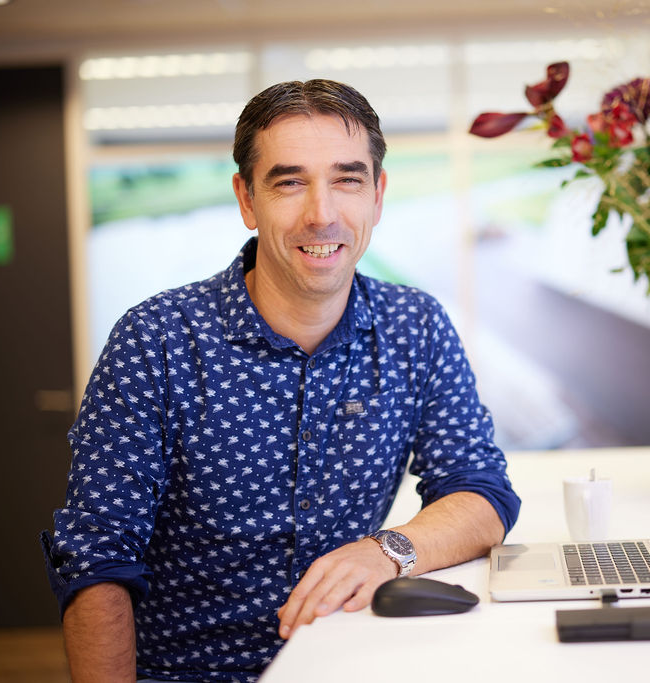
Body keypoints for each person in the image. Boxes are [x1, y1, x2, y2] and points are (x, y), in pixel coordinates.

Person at [41, 79, 521, 682]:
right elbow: (97, 557)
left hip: (349, 663)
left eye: (347, 179)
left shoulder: (414, 327)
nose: (322, 213)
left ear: (377, 194)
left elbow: (481, 492)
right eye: (290, 181)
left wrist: (387, 549)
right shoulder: (157, 341)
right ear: (246, 199)